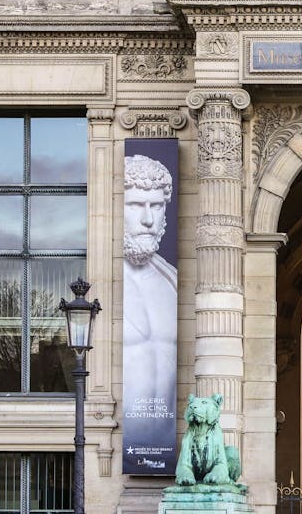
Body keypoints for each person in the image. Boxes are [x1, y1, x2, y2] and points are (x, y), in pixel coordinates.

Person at [123, 154, 178, 427]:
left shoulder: (173, 280)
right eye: (135, 205)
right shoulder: (100, 285)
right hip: (127, 439)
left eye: (156, 206)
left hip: (169, 442)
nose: (148, 219)